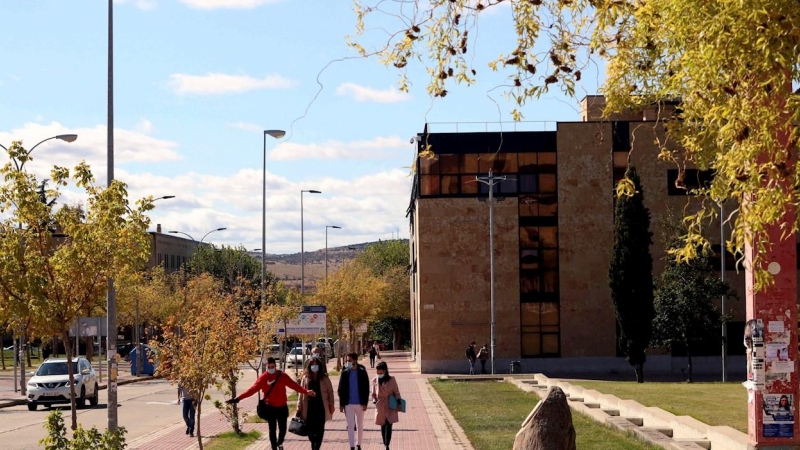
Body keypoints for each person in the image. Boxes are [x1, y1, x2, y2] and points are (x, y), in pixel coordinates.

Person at [226, 357, 316, 450]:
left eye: (272, 366)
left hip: (282, 407)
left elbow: (294, 385)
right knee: (272, 430)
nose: (271, 369)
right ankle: (274, 448)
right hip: (270, 408)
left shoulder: (282, 376)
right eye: (269, 367)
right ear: (266, 366)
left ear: (275, 366)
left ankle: (280, 443)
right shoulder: (263, 378)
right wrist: (238, 398)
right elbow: (252, 390)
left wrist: (306, 391)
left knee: (283, 429)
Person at [297, 356, 335, 450]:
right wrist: (299, 406)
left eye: (316, 365)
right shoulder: (305, 378)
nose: (314, 366)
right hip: (308, 408)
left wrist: (331, 404)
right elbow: (301, 393)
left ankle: (316, 448)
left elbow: (330, 391)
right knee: (310, 432)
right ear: (309, 366)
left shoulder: (324, 377)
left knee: (320, 430)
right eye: (312, 365)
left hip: (321, 407)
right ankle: (314, 446)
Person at [338, 352, 370, 450]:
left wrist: (365, 403)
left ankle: (358, 444)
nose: (348, 363)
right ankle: (351, 446)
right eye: (347, 361)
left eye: (349, 361)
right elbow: (341, 389)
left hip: (360, 403)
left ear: (355, 360)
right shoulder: (345, 372)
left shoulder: (362, 371)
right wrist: (342, 404)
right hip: (349, 404)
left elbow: (366, 388)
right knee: (350, 425)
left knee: (360, 425)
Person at [372, 361, 401, 450]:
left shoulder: (392, 379)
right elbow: (373, 393)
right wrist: (375, 401)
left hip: (390, 403)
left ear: (385, 371)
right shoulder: (374, 380)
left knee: (389, 423)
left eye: (381, 372)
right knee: (382, 424)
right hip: (380, 404)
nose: (379, 374)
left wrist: (399, 401)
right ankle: (384, 442)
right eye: (377, 372)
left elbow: (396, 391)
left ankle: (387, 444)